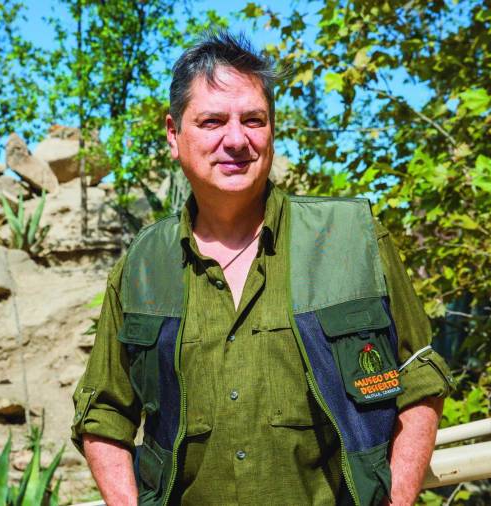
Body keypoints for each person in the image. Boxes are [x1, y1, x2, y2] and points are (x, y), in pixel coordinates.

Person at [70, 31, 452, 506]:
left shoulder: (352, 238)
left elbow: (419, 379)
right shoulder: (142, 268)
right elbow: (104, 413)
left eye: (253, 120)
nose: (236, 140)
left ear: (272, 129)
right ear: (174, 134)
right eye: (211, 121)